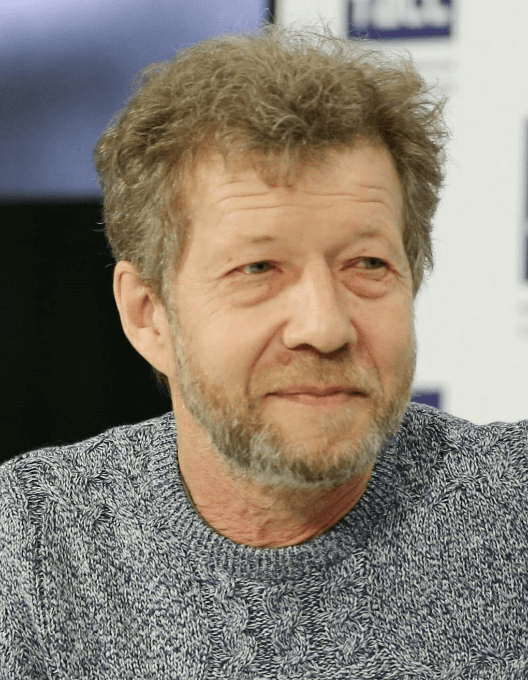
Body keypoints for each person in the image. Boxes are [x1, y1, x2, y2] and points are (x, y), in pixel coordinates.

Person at [1, 25, 527, 679]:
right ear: (148, 314)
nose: (325, 327)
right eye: (258, 269)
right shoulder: (31, 544)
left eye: (368, 264)